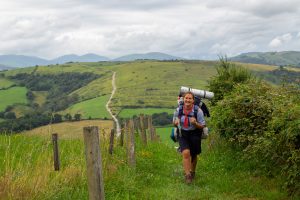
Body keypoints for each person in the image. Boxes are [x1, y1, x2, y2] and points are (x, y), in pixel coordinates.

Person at [173, 91, 206, 184]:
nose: (187, 100)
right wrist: (175, 123)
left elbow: (202, 125)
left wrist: (195, 123)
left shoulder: (198, 111)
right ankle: (188, 176)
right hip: (183, 134)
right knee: (186, 153)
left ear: (193, 100)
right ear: (183, 99)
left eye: (189, 98)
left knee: (194, 155)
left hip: (195, 133)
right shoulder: (178, 110)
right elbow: (174, 123)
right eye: (186, 98)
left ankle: (193, 172)